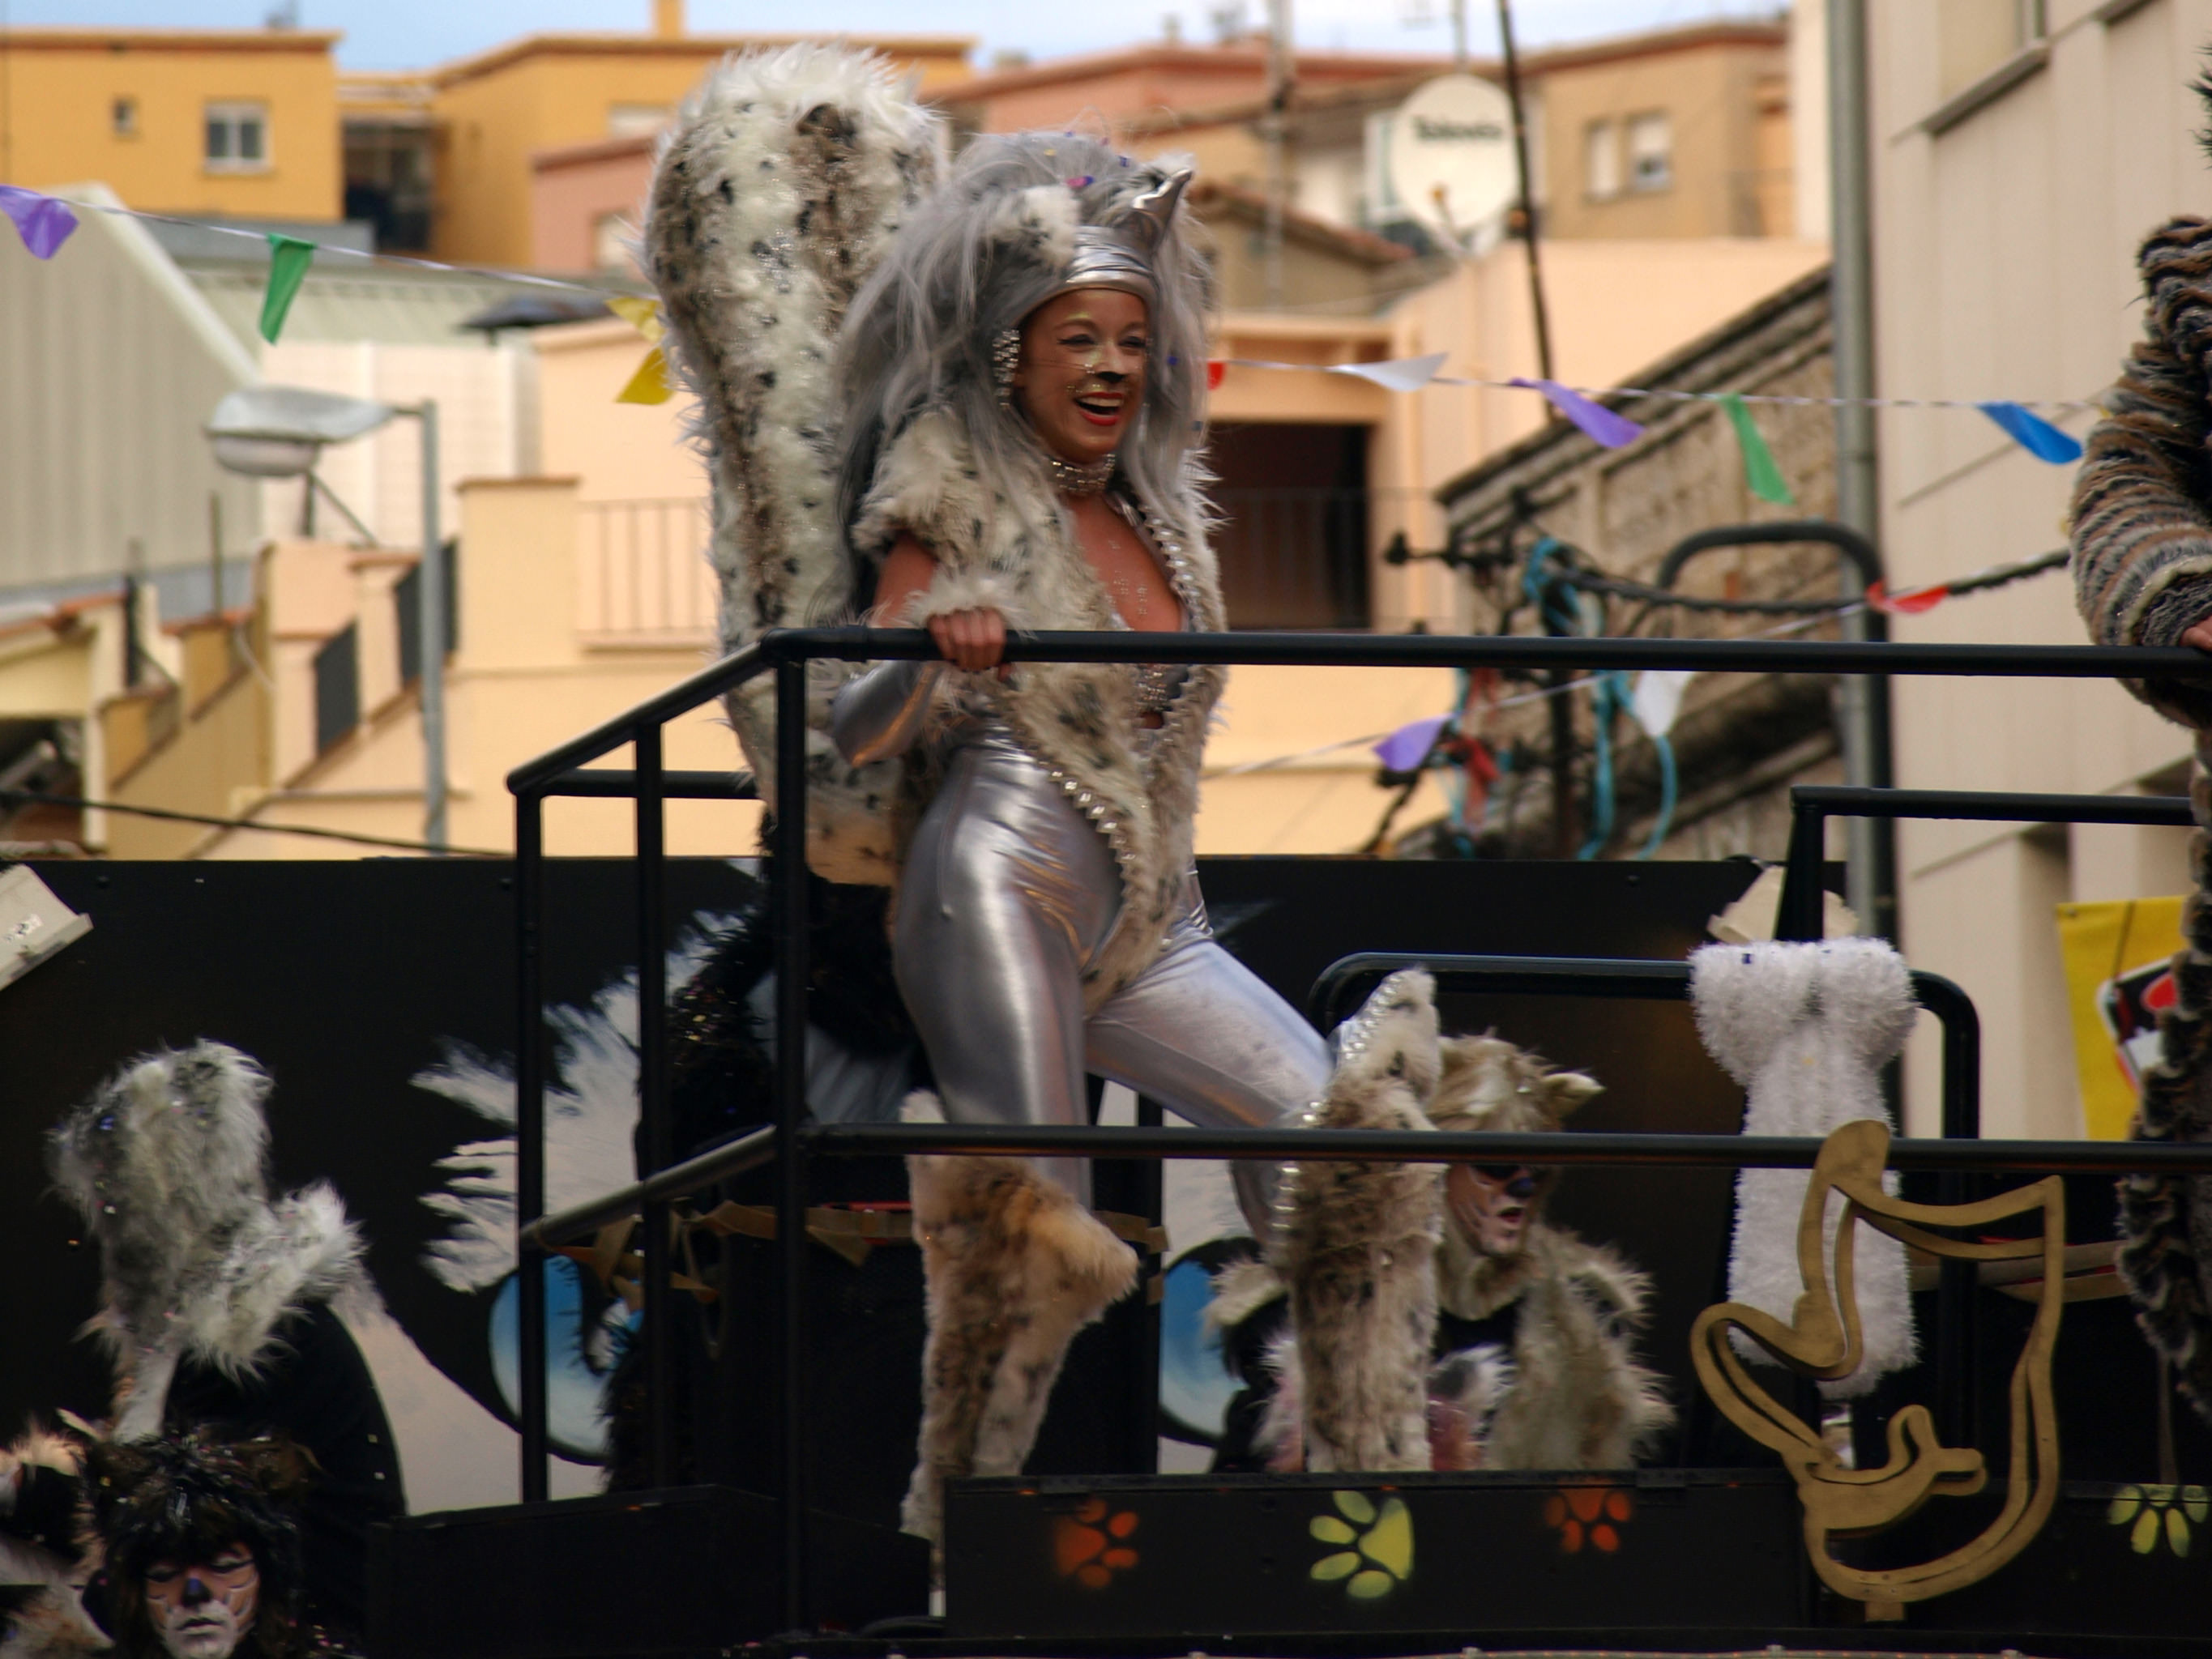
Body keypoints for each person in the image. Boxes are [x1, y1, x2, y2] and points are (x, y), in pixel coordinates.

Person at [646, 47, 1332, 1542]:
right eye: (1076, 337)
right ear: (1012, 355)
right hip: (991, 885)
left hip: (1150, 908)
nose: (1110, 367)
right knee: (1036, 1231)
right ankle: (969, 1528)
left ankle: (1352, 1469)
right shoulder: (953, 474)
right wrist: (936, 649)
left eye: (1132, 339)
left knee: (1334, 1133)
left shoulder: (1158, 504)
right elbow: (855, 722)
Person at [1211, 1024, 1672, 1473]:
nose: (1524, 1187)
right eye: (1498, 1166)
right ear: (1432, 1168)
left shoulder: (1577, 1310)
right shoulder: (1313, 1303)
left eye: (1538, 1171)